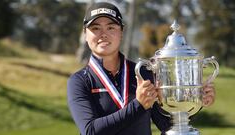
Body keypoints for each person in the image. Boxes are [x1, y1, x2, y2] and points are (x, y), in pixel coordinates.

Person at [67, 2, 216, 135]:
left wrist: (195, 100)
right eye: (95, 28)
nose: (103, 34)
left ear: (121, 32)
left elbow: (167, 125)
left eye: (111, 27)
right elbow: (90, 130)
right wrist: (138, 105)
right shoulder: (79, 81)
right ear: (85, 34)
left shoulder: (142, 73)